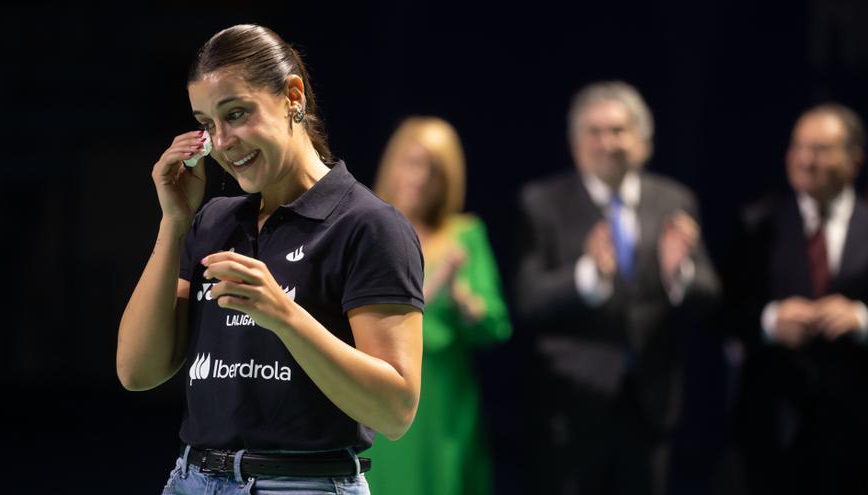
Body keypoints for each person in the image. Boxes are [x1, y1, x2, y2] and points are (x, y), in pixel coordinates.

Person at [116, 24, 424, 495]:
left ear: (292, 96)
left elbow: (395, 411)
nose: (221, 142)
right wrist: (173, 223)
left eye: (236, 114)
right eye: (206, 124)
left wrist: (282, 314)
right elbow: (137, 371)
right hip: (191, 480)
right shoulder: (213, 222)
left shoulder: (368, 225)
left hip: (305, 485)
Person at [515, 81, 721, 495]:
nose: (607, 142)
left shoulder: (674, 200)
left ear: (644, 142)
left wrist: (676, 275)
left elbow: (710, 292)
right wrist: (589, 277)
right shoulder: (542, 202)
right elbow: (528, 299)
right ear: (575, 143)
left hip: (651, 405)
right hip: (571, 408)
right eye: (594, 131)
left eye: (619, 131)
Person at [365, 117, 512, 495]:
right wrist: (435, 284)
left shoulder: (464, 236)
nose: (419, 177)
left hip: (445, 396)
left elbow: (494, 325)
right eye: (411, 162)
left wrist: (465, 303)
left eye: (432, 168)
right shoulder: (371, 232)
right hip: (384, 390)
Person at [729, 104, 868, 494]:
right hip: (774, 427)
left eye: (821, 150)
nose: (805, 160)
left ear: (855, 159)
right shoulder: (756, 225)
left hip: (858, 431)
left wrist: (862, 320)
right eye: (798, 148)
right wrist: (769, 322)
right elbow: (721, 313)